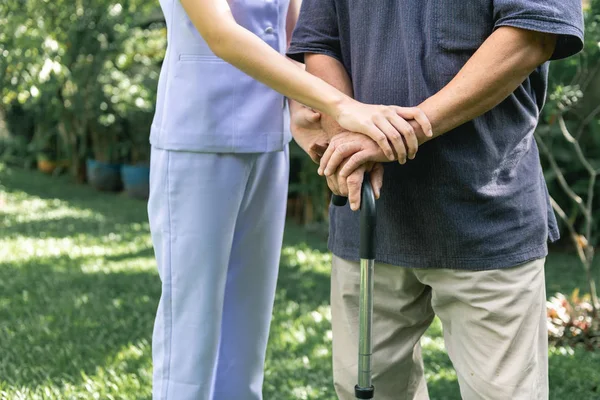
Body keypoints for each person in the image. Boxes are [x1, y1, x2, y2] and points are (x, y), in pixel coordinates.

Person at [287, 1, 584, 399]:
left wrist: (395, 134)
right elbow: (320, 42)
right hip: (370, 220)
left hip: (486, 222)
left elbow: (532, 35)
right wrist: (348, 135)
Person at [146, 0, 433, 398]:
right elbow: (222, 35)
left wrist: (304, 110)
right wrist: (342, 106)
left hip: (268, 138)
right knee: (191, 325)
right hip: (199, 136)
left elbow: (297, 35)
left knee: (248, 322)